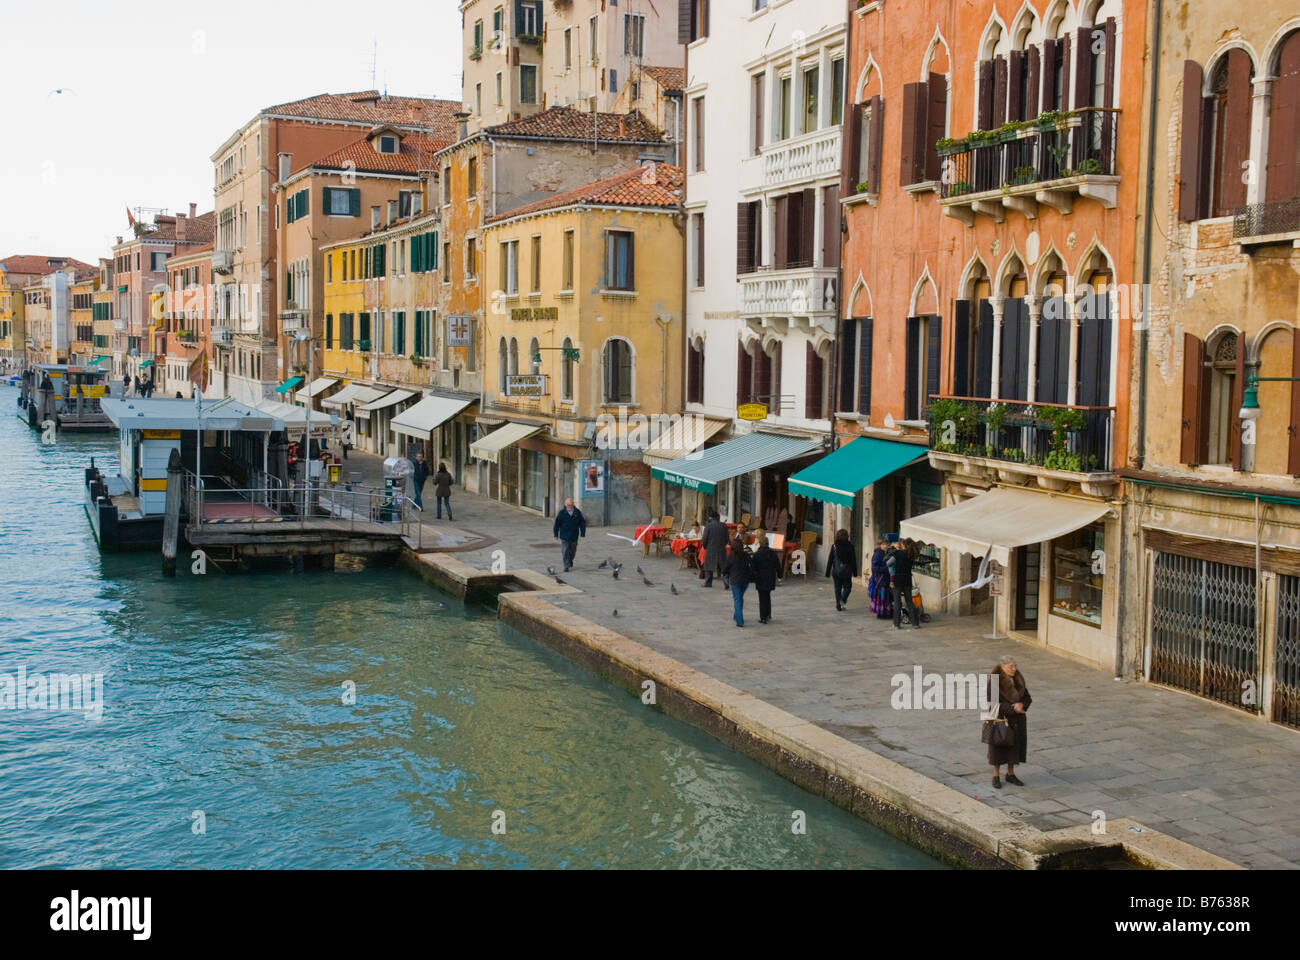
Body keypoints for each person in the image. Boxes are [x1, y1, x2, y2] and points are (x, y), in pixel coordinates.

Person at [988, 656, 1032, 789]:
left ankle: (1010, 773)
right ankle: (995, 775)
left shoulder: (1018, 679)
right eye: (1011, 666)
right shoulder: (995, 681)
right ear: (1003, 666)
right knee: (998, 748)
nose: (1014, 669)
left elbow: (1027, 697)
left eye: (1015, 666)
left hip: (1017, 721)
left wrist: (1022, 705)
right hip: (1001, 720)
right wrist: (1013, 708)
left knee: (1014, 748)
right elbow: (993, 703)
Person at [888, 539, 921, 629]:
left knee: (897, 601)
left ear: (904, 545)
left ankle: (896, 624)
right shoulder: (911, 554)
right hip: (907, 580)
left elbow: (888, 563)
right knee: (909, 601)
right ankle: (915, 623)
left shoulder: (898, 554)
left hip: (897, 580)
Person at [750, 529, 780, 625]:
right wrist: (780, 575)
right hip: (770, 577)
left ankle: (763, 617)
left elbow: (753, 567)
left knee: (762, 598)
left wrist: (752, 577)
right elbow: (778, 565)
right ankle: (768, 614)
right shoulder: (772, 554)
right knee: (767, 595)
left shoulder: (757, 554)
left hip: (761, 578)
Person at [824, 529, 859, 611]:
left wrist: (827, 572)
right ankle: (842, 600)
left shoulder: (834, 546)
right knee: (848, 588)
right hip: (847, 572)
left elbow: (830, 559)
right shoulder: (850, 546)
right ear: (847, 536)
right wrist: (855, 572)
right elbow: (853, 561)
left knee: (837, 588)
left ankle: (838, 605)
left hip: (836, 571)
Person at [724, 535, 752, 627]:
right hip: (745, 580)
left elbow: (725, 568)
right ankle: (736, 615)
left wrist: (726, 574)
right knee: (739, 598)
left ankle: (740, 621)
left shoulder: (730, 556)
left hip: (735, 580)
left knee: (737, 599)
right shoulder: (746, 555)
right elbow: (752, 565)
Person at [552, 497, 586, 572]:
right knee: (565, 551)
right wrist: (555, 534)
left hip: (574, 535)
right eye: (568, 505)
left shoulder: (577, 512)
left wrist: (583, 532)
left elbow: (582, 523)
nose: (569, 506)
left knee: (573, 551)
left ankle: (570, 560)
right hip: (564, 536)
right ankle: (566, 565)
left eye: (571, 505)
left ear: (573, 504)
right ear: (565, 504)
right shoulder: (561, 513)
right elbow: (556, 524)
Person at [700, 511, 729, 587]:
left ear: (711, 518)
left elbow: (705, 538)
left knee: (708, 566)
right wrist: (723, 545)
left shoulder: (708, 526)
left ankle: (708, 582)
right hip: (721, 548)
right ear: (718, 518)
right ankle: (726, 580)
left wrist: (705, 546)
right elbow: (727, 538)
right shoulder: (724, 526)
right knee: (723, 565)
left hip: (711, 548)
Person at [869, 539, 893, 619]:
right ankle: (881, 614)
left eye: (886, 544)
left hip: (883, 579)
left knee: (883, 597)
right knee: (882, 597)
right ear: (879, 545)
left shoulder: (883, 553)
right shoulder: (878, 553)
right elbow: (875, 567)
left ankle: (883, 613)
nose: (885, 546)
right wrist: (886, 568)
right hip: (880, 579)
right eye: (883, 544)